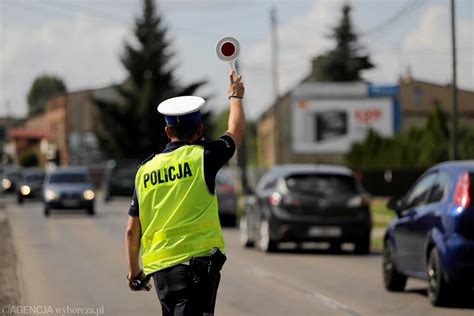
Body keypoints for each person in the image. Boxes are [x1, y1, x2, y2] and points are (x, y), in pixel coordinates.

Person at [125, 70, 245, 315]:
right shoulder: (205, 157)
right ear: (199, 129)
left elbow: (131, 230)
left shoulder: (145, 170)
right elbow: (236, 130)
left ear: (168, 132)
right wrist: (235, 97)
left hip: (161, 274)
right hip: (196, 270)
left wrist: (134, 272)